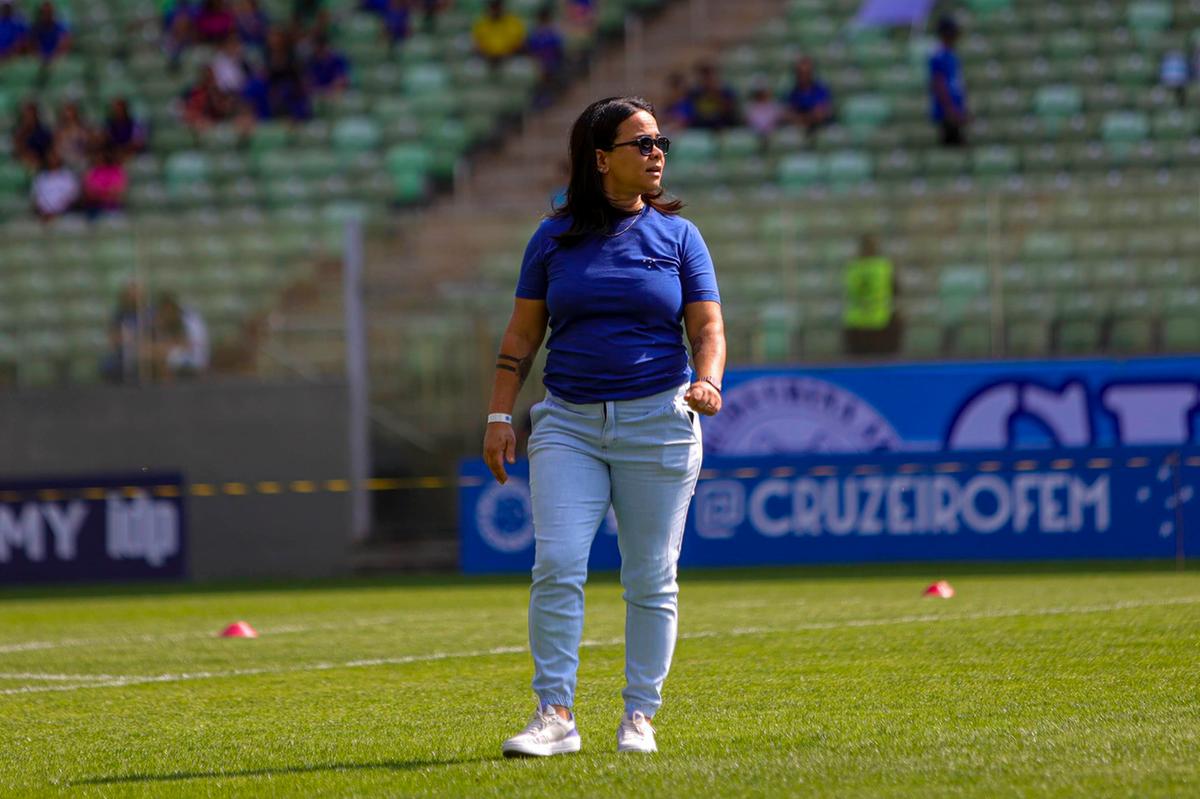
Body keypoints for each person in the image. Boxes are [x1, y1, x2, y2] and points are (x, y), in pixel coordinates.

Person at [485, 96, 725, 757]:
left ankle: (639, 716)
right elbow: (522, 334)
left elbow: (707, 326)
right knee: (558, 561)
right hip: (567, 423)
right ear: (599, 159)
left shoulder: (680, 237)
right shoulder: (551, 238)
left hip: (660, 422)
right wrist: (500, 414)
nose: (657, 155)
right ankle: (555, 713)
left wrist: (709, 378)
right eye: (642, 144)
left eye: (660, 144)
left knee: (650, 574)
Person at [842, 233, 901, 356]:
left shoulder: (853, 267)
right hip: (879, 320)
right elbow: (896, 290)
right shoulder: (883, 266)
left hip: (856, 321)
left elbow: (848, 291)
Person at [929, 15, 968, 146]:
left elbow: (956, 83)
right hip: (947, 111)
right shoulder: (939, 56)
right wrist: (951, 110)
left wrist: (962, 108)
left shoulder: (951, 54)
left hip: (954, 108)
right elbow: (938, 84)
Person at [151, 292, 210, 379]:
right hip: (189, 355)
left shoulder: (188, 319)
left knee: (162, 356)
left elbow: (187, 345)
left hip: (195, 359)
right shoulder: (180, 318)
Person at [101, 282, 148, 383]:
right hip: (122, 353)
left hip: (144, 352)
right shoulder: (119, 315)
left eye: (136, 295)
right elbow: (113, 337)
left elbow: (152, 335)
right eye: (130, 295)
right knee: (108, 365)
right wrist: (123, 339)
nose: (133, 298)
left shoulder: (148, 314)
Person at [785, 56, 833, 139]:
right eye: (800, 72)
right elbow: (788, 114)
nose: (803, 76)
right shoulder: (791, 91)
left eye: (806, 73)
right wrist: (807, 118)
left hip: (820, 128)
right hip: (797, 129)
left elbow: (821, 113)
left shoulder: (820, 89)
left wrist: (802, 118)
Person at [685, 61, 739, 129]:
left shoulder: (726, 91)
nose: (707, 79)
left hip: (723, 127)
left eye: (709, 75)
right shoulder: (694, 93)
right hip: (700, 128)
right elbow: (690, 114)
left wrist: (716, 94)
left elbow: (731, 112)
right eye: (703, 75)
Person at [31, 149, 80, 220]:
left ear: (60, 158)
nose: (52, 159)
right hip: (43, 215)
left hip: (64, 215)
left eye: (55, 157)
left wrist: (56, 211)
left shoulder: (68, 176)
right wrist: (44, 211)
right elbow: (35, 197)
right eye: (50, 157)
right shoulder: (41, 177)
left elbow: (73, 197)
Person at [472, 0, 525, 65]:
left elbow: (519, 44)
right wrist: (487, 55)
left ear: (502, 8)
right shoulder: (481, 23)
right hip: (486, 58)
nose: (496, 11)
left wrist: (507, 54)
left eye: (498, 8)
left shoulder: (513, 22)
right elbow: (477, 45)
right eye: (493, 8)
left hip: (509, 57)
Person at [82, 145, 129, 216]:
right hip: (94, 208)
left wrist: (100, 193)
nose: (98, 158)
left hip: (113, 206)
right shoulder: (92, 171)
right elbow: (89, 192)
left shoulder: (117, 171)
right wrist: (105, 194)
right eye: (96, 155)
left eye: (100, 155)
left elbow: (118, 192)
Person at [53, 101, 95, 171]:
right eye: (67, 112)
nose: (69, 115)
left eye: (72, 111)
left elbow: (90, 144)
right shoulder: (60, 131)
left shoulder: (84, 129)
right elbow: (56, 148)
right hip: (65, 162)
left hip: (81, 161)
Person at [12, 100, 54, 169]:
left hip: (40, 167)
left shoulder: (44, 133)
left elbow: (47, 154)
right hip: (21, 166)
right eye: (26, 114)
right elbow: (16, 153)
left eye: (31, 114)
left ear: (36, 114)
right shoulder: (17, 132)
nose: (29, 117)